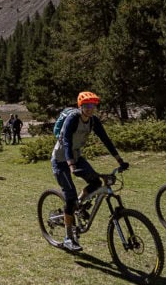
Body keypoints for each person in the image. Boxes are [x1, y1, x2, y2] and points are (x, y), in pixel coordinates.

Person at [51, 91, 128, 252]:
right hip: (61, 160)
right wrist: (70, 164)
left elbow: (105, 139)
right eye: (86, 105)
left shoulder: (93, 121)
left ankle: (79, 205)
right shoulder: (73, 119)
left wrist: (119, 159)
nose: (89, 109)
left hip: (77, 157)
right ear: (81, 106)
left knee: (95, 182)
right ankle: (68, 238)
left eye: (92, 105)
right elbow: (66, 141)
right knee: (70, 198)